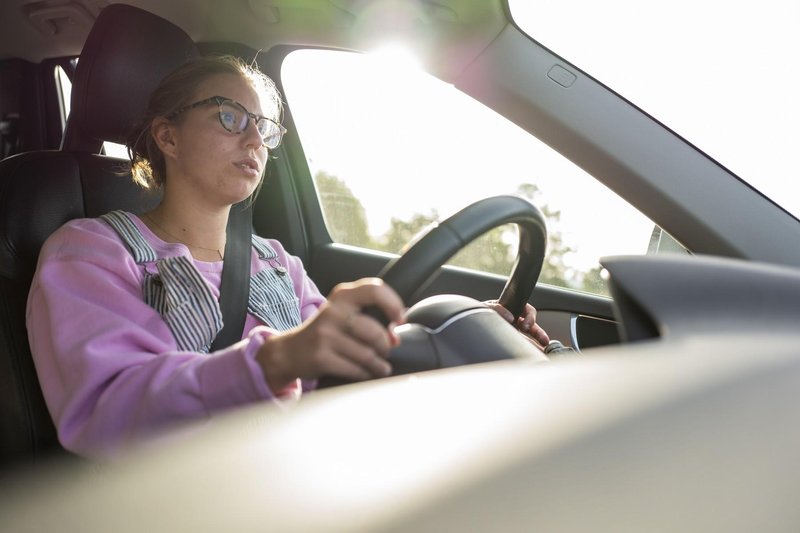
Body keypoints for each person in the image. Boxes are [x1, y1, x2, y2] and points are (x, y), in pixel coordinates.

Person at [26, 55, 549, 460]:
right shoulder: (91, 250)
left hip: (305, 473)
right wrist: (277, 359)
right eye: (230, 117)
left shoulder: (276, 262)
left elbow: (344, 368)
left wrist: (472, 336)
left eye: (266, 127)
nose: (256, 139)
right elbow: (110, 410)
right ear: (168, 136)